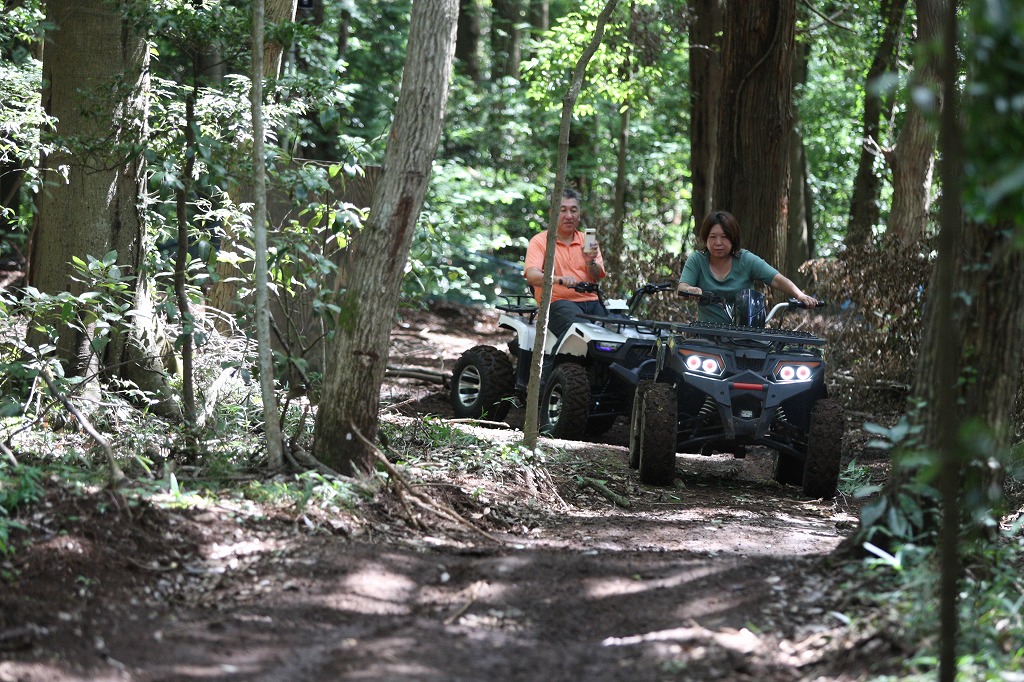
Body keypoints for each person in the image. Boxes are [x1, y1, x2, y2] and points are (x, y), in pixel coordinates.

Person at [677, 210, 817, 324]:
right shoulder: (697, 260)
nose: (718, 242)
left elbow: (776, 279)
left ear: (733, 239)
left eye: (724, 237)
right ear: (705, 239)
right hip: (707, 335)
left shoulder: (746, 259)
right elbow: (682, 288)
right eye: (713, 237)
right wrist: (690, 290)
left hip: (744, 334)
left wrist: (800, 295)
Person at [524, 188, 607, 337]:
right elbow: (532, 276)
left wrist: (590, 262)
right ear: (552, 213)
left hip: (593, 302)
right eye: (563, 210)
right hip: (557, 304)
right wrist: (559, 280)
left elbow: (598, 275)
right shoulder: (540, 241)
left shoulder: (587, 241)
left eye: (573, 210)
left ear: (579, 214)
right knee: (584, 332)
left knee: (615, 328)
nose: (569, 216)